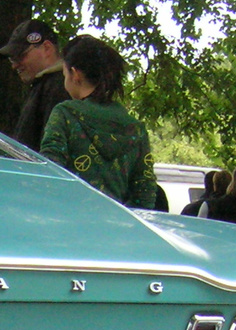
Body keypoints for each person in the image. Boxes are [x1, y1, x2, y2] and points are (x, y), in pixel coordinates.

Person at [37, 35, 160, 208]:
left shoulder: (65, 114)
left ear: (75, 74)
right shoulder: (136, 129)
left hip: (70, 224)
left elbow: (50, 173)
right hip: (116, 229)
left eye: (65, 74)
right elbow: (145, 192)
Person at [0, 19, 68, 151]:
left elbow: (52, 152)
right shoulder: (44, 85)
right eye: (12, 59)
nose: (14, 65)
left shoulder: (58, 87)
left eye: (20, 56)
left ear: (47, 48)